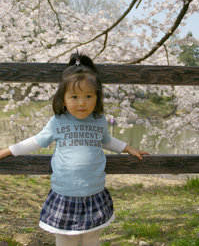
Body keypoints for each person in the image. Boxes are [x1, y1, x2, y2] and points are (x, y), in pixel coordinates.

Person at [0, 53, 149, 246]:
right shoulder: (58, 122)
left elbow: (107, 141)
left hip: (94, 192)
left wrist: (128, 148)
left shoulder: (99, 121)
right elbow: (36, 142)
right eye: (74, 96)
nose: (82, 102)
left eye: (89, 96)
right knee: (65, 239)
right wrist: (7, 151)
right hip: (65, 193)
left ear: (97, 97)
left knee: (91, 239)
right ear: (63, 99)